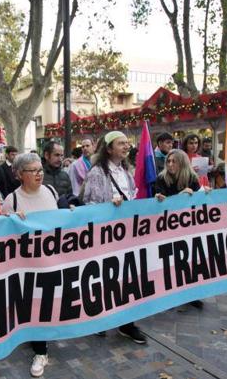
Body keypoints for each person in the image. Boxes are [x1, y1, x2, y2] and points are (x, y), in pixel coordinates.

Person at [82, 131, 146, 344]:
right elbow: (88, 205)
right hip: (106, 236)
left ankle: (127, 324)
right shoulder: (97, 173)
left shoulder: (126, 171)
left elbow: (134, 197)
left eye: (127, 143)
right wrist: (110, 205)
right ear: (109, 148)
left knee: (128, 277)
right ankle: (100, 321)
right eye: (121, 143)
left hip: (126, 234)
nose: (126, 146)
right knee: (105, 277)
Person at [0, 152, 59, 378]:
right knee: (35, 306)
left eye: (40, 169)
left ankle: (40, 340)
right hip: (27, 266)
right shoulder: (12, 200)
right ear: (19, 175)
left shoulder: (51, 192)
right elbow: (3, 237)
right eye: (33, 170)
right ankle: (40, 351)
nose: (39, 174)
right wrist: (12, 221)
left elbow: (64, 220)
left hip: (52, 261)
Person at [153, 149, 211, 309]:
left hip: (187, 227)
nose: (170, 164)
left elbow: (199, 200)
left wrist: (205, 193)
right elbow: (162, 204)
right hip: (167, 227)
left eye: (174, 161)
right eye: (168, 161)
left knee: (188, 261)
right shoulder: (161, 179)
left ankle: (190, 294)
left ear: (183, 162)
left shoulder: (192, 178)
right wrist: (180, 195)